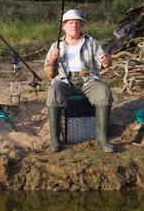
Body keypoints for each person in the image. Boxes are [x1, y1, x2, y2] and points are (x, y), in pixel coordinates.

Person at [44, 9, 115, 153]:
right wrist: (52, 59)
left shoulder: (91, 42)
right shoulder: (55, 46)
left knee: (104, 92)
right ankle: (55, 140)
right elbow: (50, 74)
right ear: (63, 26)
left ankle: (102, 139)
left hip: (87, 79)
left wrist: (108, 60)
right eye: (70, 23)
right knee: (53, 92)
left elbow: (105, 62)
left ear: (81, 25)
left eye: (77, 22)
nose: (74, 25)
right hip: (64, 80)